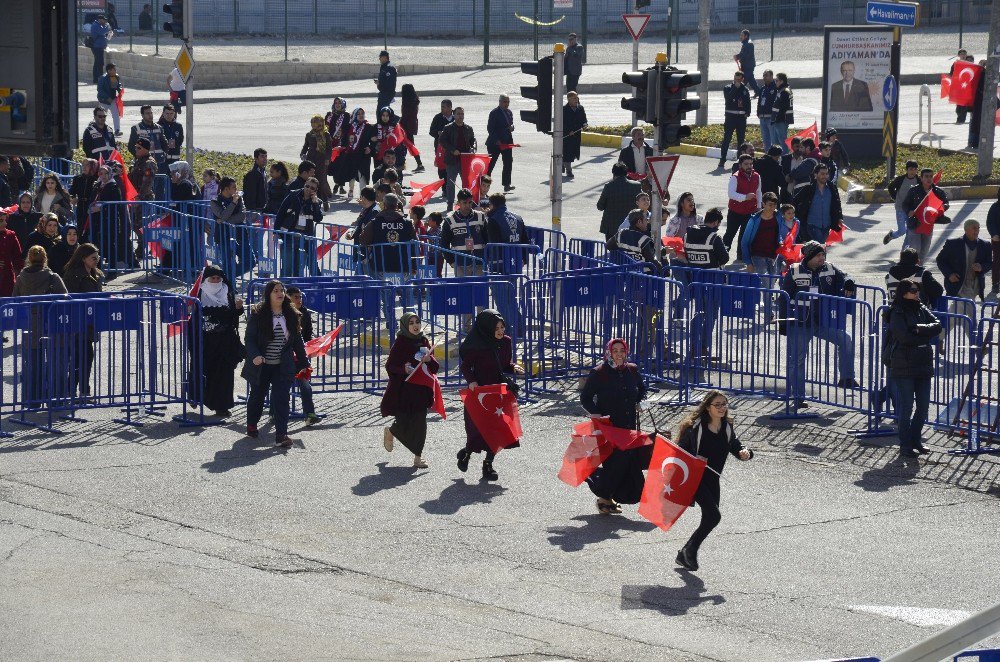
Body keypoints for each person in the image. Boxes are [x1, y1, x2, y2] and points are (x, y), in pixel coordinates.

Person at [675, 390, 753, 571]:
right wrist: (695, 458)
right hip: (695, 478)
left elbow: (735, 445)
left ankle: (685, 552)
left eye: (724, 404)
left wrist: (745, 453)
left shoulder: (726, 427)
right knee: (714, 515)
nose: (722, 408)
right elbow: (679, 453)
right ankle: (690, 552)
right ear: (708, 407)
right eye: (717, 405)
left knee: (710, 519)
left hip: (712, 479)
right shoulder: (695, 428)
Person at [779, 241, 858, 409]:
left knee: (845, 340)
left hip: (823, 321)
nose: (822, 258)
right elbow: (783, 297)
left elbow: (846, 276)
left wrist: (849, 281)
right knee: (798, 360)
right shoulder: (794, 270)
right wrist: (784, 323)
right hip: (800, 322)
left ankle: (847, 378)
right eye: (818, 255)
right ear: (808, 257)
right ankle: (798, 396)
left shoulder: (829, 268)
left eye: (823, 255)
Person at [580, 339, 650, 514]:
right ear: (609, 352)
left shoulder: (631, 370)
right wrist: (596, 413)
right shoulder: (599, 373)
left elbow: (642, 389)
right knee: (617, 463)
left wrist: (640, 402)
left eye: (622, 350)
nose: (619, 354)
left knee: (625, 465)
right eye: (615, 350)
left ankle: (607, 499)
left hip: (629, 428)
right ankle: (601, 492)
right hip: (610, 428)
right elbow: (586, 397)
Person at [457, 309, 525, 481]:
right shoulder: (478, 346)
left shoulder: (506, 342)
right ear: (487, 328)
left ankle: (488, 465)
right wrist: (471, 380)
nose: (501, 331)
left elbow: (503, 365)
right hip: (479, 393)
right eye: (496, 328)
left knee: (497, 431)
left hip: (498, 393)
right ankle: (467, 453)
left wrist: (513, 367)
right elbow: (465, 367)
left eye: (502, 327)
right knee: (477, 430)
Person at [242, 280, 309, 449]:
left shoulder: (291, 313)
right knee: (257, 395)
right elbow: (249, 338)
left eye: (281, 290)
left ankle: (281, 434)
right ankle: (251, 424)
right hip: (262, 364)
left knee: (281, 398)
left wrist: (304, 362)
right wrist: (255, 355)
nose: (280, 293)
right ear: (269, 294)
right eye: (275, 291)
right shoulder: (258, 313)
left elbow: (297, 341)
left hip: (282, 365)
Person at [885, 279, 942, 458]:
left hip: (923, 362)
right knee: (907, 406)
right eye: (912, 290)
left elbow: (938, 325)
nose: (916, 293)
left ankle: (916, 439)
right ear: (903, 292)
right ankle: (905, 444)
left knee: (923, 406)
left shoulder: (921, 307)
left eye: (917, 290)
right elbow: (904, 337)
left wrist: (918, 329)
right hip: (904, 363)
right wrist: (924, 337)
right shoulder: (897, 311)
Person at [381, 311, 439, 468]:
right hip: (404, 391)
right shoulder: (401, 343)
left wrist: (429, 359)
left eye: (417, 322)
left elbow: (434, 367)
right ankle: (391, 431)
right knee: (405, 422)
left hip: (421, 391)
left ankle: (417, 458)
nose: (415, 325)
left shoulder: (424, 341)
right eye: (411, 323)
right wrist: (404, 369)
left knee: (420, 424)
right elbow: (390, 365)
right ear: (406, 326)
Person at [62, 243, 103, 398]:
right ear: (83, 258)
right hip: (77, 321)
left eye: (97, 257)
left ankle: (80, 390)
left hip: (90, 322)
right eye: (93, 257)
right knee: (81, 357)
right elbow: (69, 297)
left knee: (86, 357)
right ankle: (73, 389)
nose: (96, 260)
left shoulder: (95, 273)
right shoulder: (72, 274)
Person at [936, 219, 993, 311]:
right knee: (968, 310)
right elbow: (940, 260)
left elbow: (990, 263)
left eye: (978, 228)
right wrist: (949, 274)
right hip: (958, 282)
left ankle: (944, 324)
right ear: (966, 230)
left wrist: (981, 267)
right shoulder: (953, 244)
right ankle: (972, 325)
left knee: (957, 310)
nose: (977, 231)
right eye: (974, 228)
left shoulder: (985, 245)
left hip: (975, 283)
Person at [275, 177, 323, 278]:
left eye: (312, 188)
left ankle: (318, 286)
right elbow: (281, 212)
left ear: (315, 190)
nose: (309, 189)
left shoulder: (316, 202)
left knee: (311, 264)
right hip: (289, 236)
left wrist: (315, 203)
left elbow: (318, 218)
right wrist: (277, 232)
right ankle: (283, 289)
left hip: (306, 239)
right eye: (307, 186)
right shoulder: (293, 195)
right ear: (304, 185)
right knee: (287, 267)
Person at [903, 168, 950, 264]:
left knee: (924, 250)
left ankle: (919, 269)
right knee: (916, 249)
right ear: (921, 178)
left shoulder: (937, 191)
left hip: (928, 224)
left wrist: (940, 209)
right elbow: (905, 204)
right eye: (926, 176)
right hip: (915, 224)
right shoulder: (913, 190)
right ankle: (911, 266)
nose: (929, 179)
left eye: (931, 176)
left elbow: (946, 203)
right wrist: (909, 211)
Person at [723, 154, 761, 263]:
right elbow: (731, 194)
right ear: (740, 165)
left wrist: (758, 207)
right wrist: (744, 197)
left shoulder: (756, 176)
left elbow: (758, 192)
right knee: (730, 234)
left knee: (745, 236)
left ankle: (741, 256)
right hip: (735, 211)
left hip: (750, 211)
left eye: (750, 164)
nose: (749, 166)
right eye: (746, 164)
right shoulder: (735, 177)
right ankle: (723, 254)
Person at [793, 163, 843, 245]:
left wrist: (839, 217)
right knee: (820, 247)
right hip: (812, 224)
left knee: (817, 249)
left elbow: (837, 203)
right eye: (822, 174)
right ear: (816, 175)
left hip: (827, 225)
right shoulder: (808, 188)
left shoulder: (832, 187)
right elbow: (794, 201)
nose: (825, 176)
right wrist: (797, 216)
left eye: (826, 174)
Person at [439, 107, 477, 209]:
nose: (460, 116)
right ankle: (450, 204)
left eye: (462, 114)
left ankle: (467, 203)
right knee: (451, 183)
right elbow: (442, 141)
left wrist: (472, 148)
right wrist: (452, 150)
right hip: (452, 160)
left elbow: (473, 140)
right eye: (458, 114)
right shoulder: (448, 128)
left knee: (466, 183)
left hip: (465, 160)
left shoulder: (468, 128)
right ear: (454, 115)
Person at [210, 177, 248, 276]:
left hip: (240, 235)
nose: (236, 189)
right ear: (226, 189)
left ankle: (230, 276)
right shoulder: (215, 200)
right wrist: (233, 203)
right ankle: (230, 284)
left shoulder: (239, 198)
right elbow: (223, 215)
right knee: (228, 263)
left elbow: (242, 215)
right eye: (234, 187)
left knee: (250, 261)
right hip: (223, 236)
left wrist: (224, 221)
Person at [741, 191, 784, 278]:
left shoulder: (778, 216)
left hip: (773, 255)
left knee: (771, 284)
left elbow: (779, 233)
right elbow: (744, 242)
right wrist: (748, 263)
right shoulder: (754, 220)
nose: (773, 207)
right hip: (757, 255)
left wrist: (781, 241)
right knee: (764, 282)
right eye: (770, 204)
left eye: (775, 205)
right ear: (763, 204)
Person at [596, 162, 641, 240]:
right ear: (626, 173)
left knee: (613, 250)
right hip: (631, 226)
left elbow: (600, 206)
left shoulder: (609, 186)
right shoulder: (636, 186)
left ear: (613, 173)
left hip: (611, 227)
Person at [339, 108, 375, 201]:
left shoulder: (369, 127)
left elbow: (374, 141)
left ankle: (362, 195)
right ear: (355, 115)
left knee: (362, 174)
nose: (361, 115)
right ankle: (351, 190)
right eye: (358, 114)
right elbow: (343, 140)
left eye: (362, 113)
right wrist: (343, 147)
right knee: (352, 174)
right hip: (351, 154)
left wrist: (370, 148)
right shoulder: (348, 127)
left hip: (363, 155)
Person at [719, 72, 751, 170]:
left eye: (739, 79)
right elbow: (728, 99)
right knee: (727, 139)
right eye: (735, 79)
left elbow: (748, 103)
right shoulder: (728, 87)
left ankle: (739, 160)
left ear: (742, 79)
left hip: (741, 119)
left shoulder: (745, 90)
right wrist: (735, 88)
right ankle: (722, 159)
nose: (737, 81)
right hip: (730, 118)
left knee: (741, 140)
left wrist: (747, 113)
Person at [884, 160, 920, 246]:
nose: (913, 171)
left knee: (909, 233)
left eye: (915, 169)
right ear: (907, 170)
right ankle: (891, 235)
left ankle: (904, 253)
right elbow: (891, 187)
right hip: (900, 208)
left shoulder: (918, 180)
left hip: (911, 211)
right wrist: (895, 198)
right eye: (911, 169)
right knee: (902, 231)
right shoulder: (901, 179)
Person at [301, 116, 334, 209]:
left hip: (322, 161)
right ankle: (313, 201)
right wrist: (302, 154)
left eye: (314, 122)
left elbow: (329, 149)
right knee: (312, 181)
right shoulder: (309, 135)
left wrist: (328, 159)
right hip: (311, 160)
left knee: (322, 182)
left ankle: (325, 200)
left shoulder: (326, 134)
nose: (312, 125)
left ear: (320, 123)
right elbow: (305, 147)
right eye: (312, 123)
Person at [486, 95, 516, 193]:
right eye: (504, 102)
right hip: (495, 143)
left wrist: (512, 128)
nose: (506, 104)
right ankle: (484, 185)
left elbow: (510, 124)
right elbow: (490, 128)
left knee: (508, 163)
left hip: (507, 142)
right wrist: (497, 140)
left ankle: (506, 184)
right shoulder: (494, 113)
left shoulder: (509, 112)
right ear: (499, 102)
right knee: (490, 165)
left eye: (507, 102)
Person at [127, 105, 166, 174]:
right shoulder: (136, 128)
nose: (150, 115)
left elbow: (165, 144)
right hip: (144, 163)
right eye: (147, 113)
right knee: (147, 183)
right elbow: (131, 147)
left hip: (159, 162)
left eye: (151, 113)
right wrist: (140, 157)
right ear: (142, 115)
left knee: (159, 183)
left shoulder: (159, 128)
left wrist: (163, 154)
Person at [325, 97, 351, 194]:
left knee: (340, 165)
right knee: (329, 165)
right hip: (329, 144)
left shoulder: (346, 115)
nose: (337, 105)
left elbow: (348, 130)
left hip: (341, 144)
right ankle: (328, 186)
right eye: (336, 103)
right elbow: (325, 128)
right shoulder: (329, 115)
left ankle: (339, 185)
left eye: (339, 103)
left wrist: (344, 143)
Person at [561, 91, 588, 179]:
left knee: (573, 153)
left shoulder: (580, 108)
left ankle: (562, 162)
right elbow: (561, 123)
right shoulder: (564, 109)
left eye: (577, 98)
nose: (576, 100)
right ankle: (569, 170)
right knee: (567, 153)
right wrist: (568, 131)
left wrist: (584, 125)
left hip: (576, 135)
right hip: (567, 136)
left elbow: (584, 119)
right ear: (569, 99)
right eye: (574, 98)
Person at [399, 84, 424, 173]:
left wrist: (399, 123)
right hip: (411, 125)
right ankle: (418, 163)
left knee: (407, 145)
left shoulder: (407, 102)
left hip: (406, 126)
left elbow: (406, 115)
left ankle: (403, 164)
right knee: (409, 145)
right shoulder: (414, 100)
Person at [0, 206, 24, 298]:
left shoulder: (11, 235)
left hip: (7, 279)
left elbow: (18, 259)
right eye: (1, 220)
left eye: (5, 220)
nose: (5, 223)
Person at [428, 99, 455, 181]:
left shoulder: (455, 117)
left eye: (444, 107)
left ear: (450, 107)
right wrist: (438, 133)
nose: (442, 109)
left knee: (452, 168)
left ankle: (449, 186)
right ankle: (444, 187)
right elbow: (431, 131)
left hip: (452, 148)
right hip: (440, 147)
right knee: (441, 168)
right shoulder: (437, 117)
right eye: (441, 107)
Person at [95, 64, 123, 136]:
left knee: (116, 115)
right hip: (104, 101)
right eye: (114, 69)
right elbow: (100, 90)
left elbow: (118, 85)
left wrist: (119, 89)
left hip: (112, 99)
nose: (115, 71)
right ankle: (98, 129)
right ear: (109, 71)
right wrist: (107, 98)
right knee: (101, 116)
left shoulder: (115, 76)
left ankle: (117, 130)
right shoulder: (102, 78)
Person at [771, 73, 794, 154]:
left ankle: (785, 159)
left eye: (776, 80)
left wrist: (776, 119)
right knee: (777, 143)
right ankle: (778, 159)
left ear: (782, 81)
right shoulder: (784, 90)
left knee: (782, 142)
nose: (775, 82)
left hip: (781, 120)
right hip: (780, 119)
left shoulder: (784, 91)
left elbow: (783, 108)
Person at [88, 15, 113, 85]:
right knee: (99, 63)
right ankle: (99, 79)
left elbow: (104, 34)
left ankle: (96, 79)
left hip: (100, 47)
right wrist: (108, 27)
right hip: (96, 47)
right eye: (103, 20)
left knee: (97, 62)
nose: (105, 21)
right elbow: (102, 32)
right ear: (99, 19)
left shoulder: (100, 25)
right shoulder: (95, 25)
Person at [756, 70, 777, 152]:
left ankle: (775, 158)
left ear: (772, 76)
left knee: (774, 140)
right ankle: (767, 158)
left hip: (771, 118)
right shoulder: (763, 89)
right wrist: (758, 112)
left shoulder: (775, 88)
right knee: (766, 141)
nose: (764, 77)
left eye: (766, 75)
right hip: (762, 118)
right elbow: (760, 101)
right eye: (764, 75)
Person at [734, 29, 758, 95]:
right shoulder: (746, 43)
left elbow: (745, 55)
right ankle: (758, 92)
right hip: (746, 65)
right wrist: (738, 56)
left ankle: (738, 92)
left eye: (742, 35)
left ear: (746, 36)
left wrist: (737, 56)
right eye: (740, 35)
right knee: (751, 80)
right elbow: (743, 53)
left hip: (748, 66)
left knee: (743, 80)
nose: (740, 37)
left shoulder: (748, 44)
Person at [952, 49, 970, 124]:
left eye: (964, 54)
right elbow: (951, 74)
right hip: (958, 86)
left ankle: (961, 119)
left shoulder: (969, 63)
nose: (963, 55)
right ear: (959, 55)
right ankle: (960, 117)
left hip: (966, 87)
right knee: (958, 106)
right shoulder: (956, 64)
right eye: (962, 54)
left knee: (964, 105)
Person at [987, 189, 1000, 293]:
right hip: (998, 239)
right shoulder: (995, 207)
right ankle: (995, 282)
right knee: (997, 261)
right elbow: (990, 222)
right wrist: (994, 234)